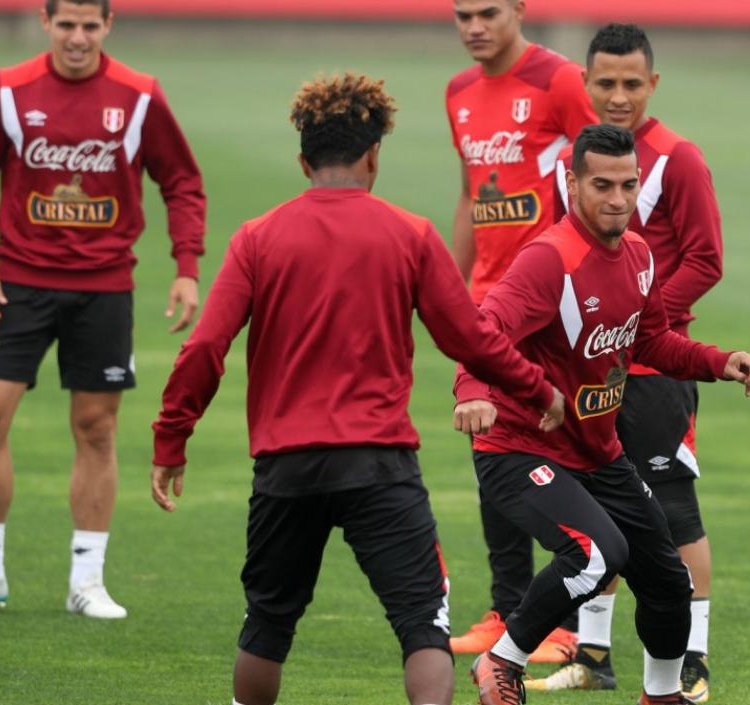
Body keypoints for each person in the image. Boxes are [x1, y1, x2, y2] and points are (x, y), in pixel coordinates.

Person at [150, 72, 566, 705]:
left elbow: (206, 346)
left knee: (267, 626)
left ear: (302, 161)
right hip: (379, 463)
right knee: (422, 625)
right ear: (374, 155)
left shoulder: (257, 238)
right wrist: (539, 391)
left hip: (285, 466)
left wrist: (171, 439)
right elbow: (472, 338)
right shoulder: (410, 234)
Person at [455, 123, 750, 705]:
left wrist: (718, 361)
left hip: (597, 454)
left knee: (668, 580)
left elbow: (652, 342)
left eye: (628, 185)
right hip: (520, 449)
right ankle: (502, 661)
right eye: (602, 185)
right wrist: (471, 391)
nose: (618, 199)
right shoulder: (549, 259)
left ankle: (662, 695)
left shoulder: (639, 256)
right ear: (573, 185)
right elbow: (483, 329)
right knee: (595, 553)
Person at [0, 0, 205, 619]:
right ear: (46, 23)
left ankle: (86, 581)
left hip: (104, 287)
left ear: (108, 26)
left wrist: (187, 267)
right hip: (17, 282)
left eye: (91, 26)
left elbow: (181, 181)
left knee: (96, 427)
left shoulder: (139, 96)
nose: (78, 38)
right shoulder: (9, 90)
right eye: (67, 25)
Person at [527, 24, 722, 702]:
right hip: (587, 372)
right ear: (584, 83)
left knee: (673, 512)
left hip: (654, 371)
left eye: (631, 83)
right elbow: (559, 253)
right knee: (597, 509)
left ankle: (692, 662)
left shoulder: (678, 159)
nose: (618, 96)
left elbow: (706, 259)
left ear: (653, 84)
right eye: (605, 82)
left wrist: (636, 318)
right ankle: (592, 654)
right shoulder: (570, 162)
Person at [446, 0, 598, 662]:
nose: (474, 26)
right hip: (489, 302)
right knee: (490, 446)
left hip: (549, 301)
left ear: (519, 10)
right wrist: (452, 292)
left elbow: (601, 172)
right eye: (462, 15)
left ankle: (562, 619)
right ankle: (508, 607)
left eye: (487, 12)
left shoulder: (559, 80)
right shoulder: (458, 91)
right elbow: (471, 194)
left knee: (556, 449)